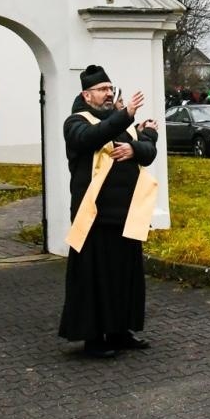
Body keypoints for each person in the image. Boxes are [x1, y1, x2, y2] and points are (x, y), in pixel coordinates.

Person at [59, 64, 158, 358]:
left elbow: (147, 153)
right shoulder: (76, 122)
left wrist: (137, 146)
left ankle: (120, 331)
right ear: (86, 95)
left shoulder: (120, 124)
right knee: (95, 279)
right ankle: (93, 338)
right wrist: (125, 114)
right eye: (102, 89)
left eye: (110, 89)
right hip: (94, 215)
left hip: (126, 214)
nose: (108, 94)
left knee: (124, 276)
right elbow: (92, 138)